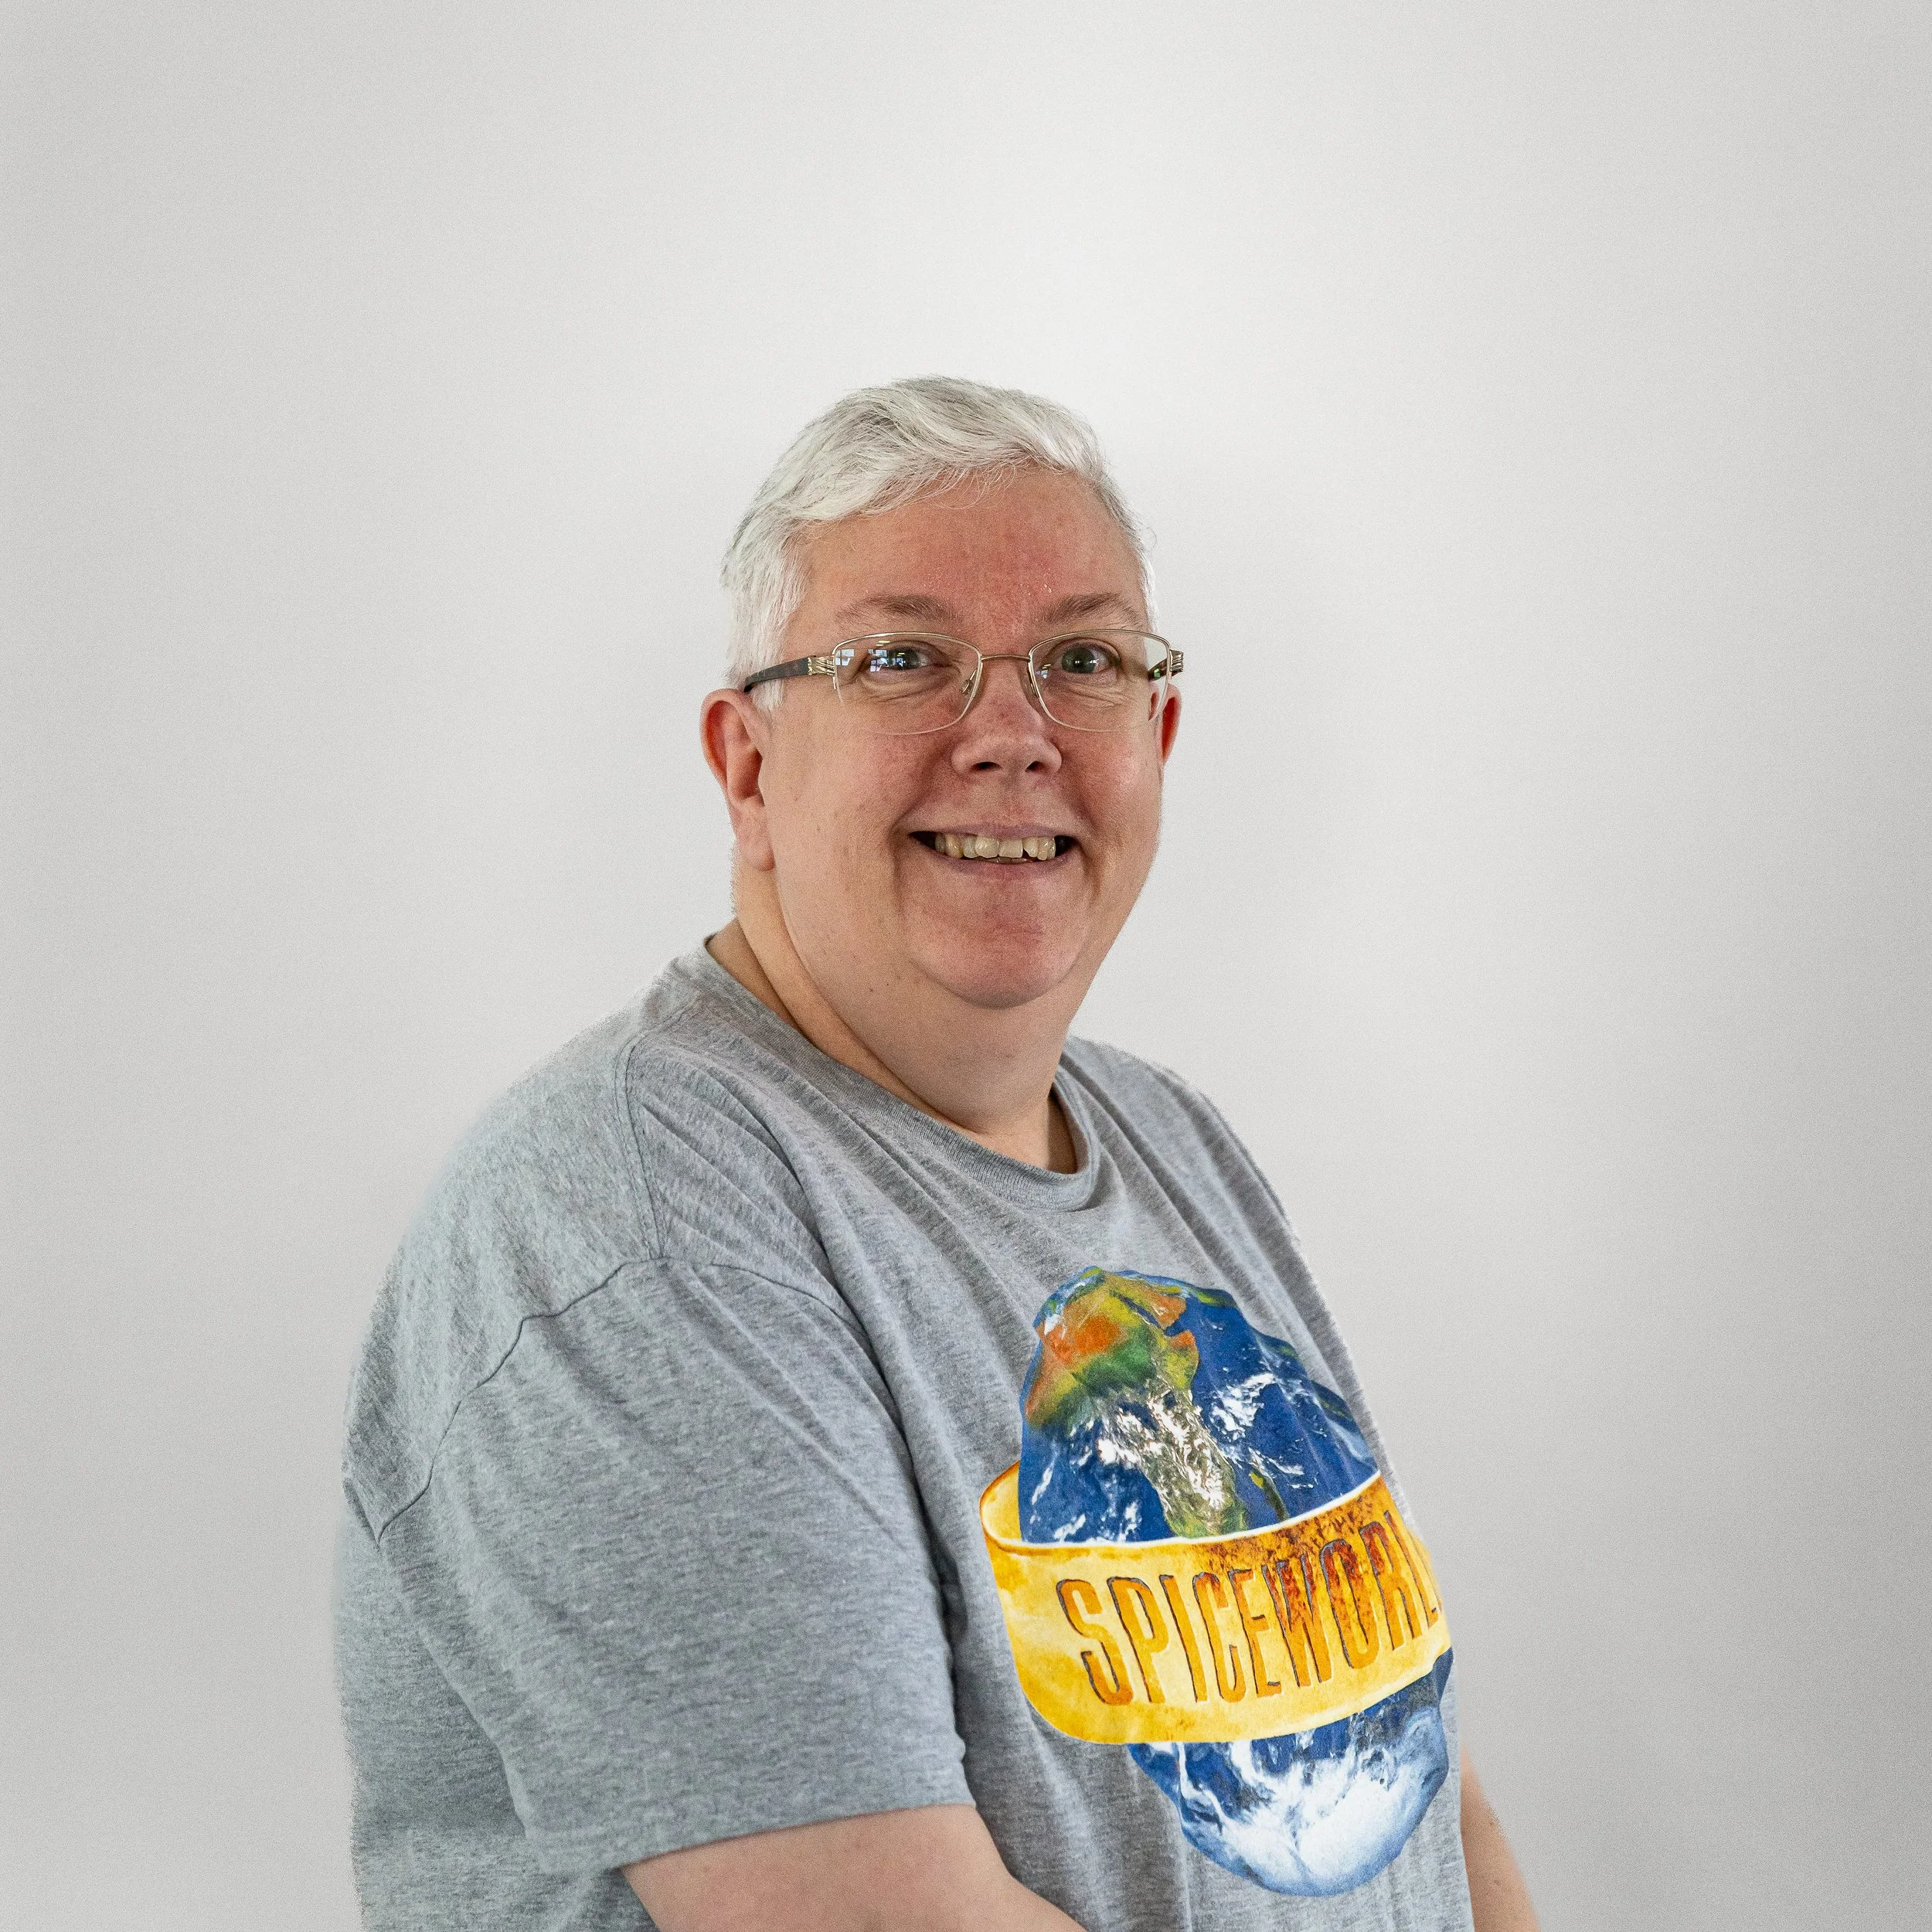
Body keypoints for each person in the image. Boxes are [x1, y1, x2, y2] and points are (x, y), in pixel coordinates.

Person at [335, 376, 1540, 1932]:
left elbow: (1408, 1760)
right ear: (749, 763)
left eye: (1082, 663)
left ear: (1157, 735)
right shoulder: (630, 1225)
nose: (1008, 736)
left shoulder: (1173, 1143)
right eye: (903, 659)